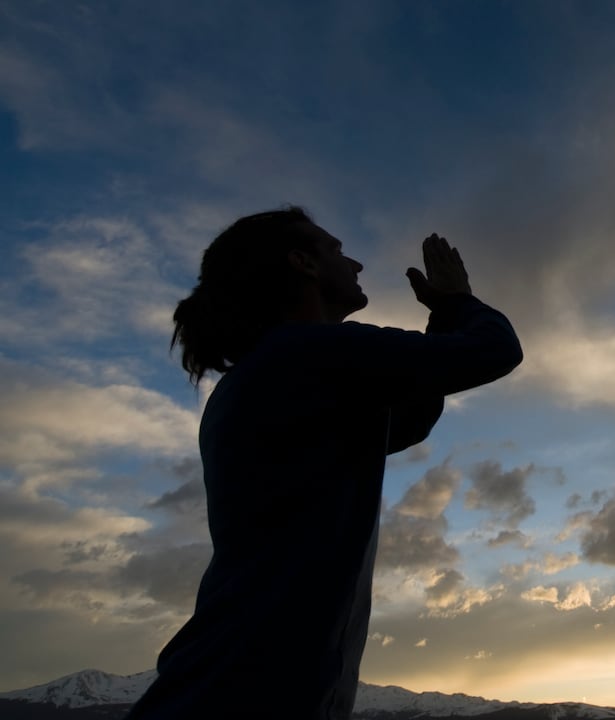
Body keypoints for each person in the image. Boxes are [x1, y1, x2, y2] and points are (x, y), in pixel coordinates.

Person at [125, 207, 522, 720]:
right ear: (303, 264)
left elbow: (409, 417)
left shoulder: (278, 372)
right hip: (242, 692)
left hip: (236, 684)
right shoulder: (305, 352)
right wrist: (458, 303)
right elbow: (495, 349)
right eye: (336, 249)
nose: (355, 263)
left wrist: (444, 318)